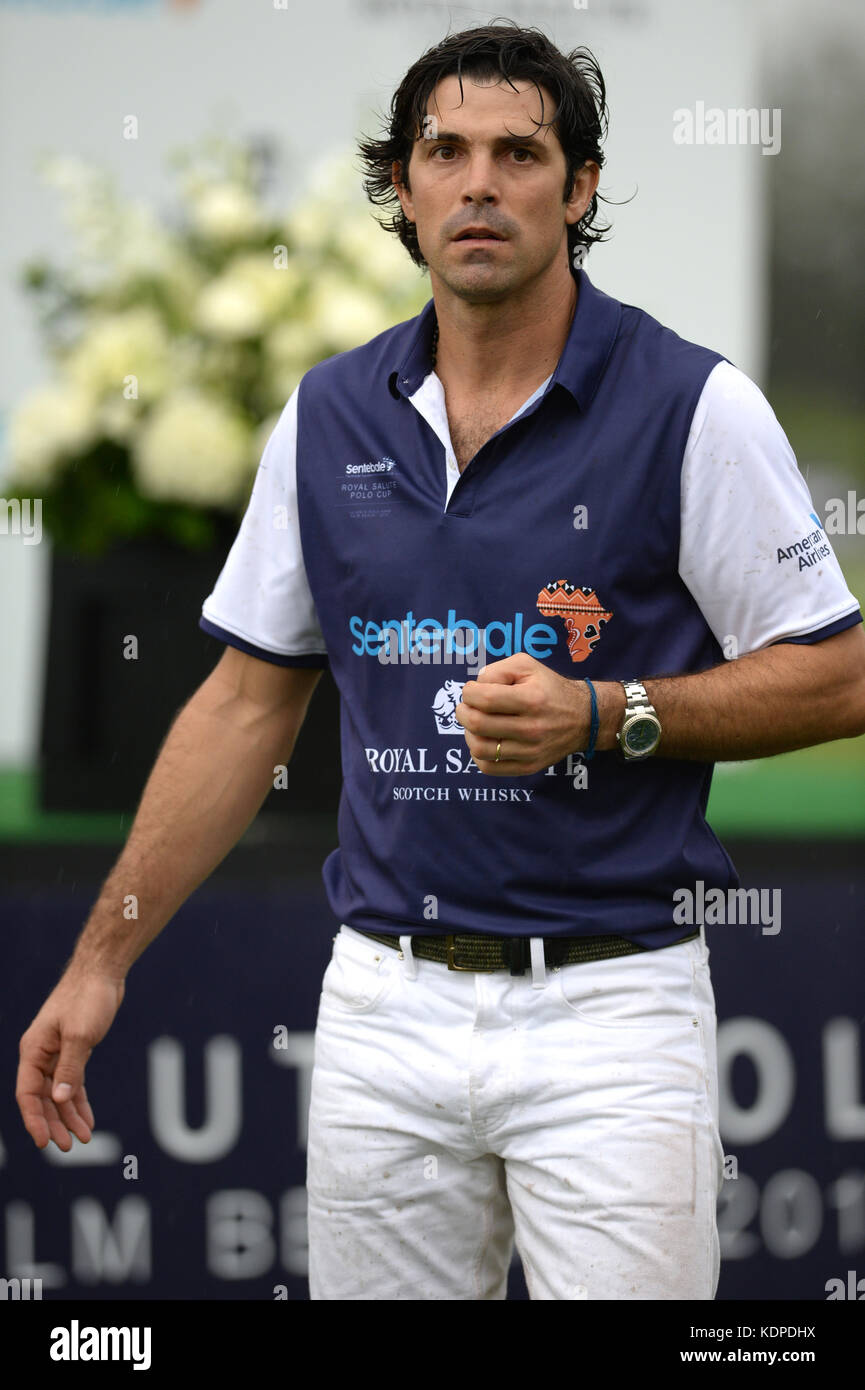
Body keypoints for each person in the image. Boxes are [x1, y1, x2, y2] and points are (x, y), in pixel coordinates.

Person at [16, 22, 865, 1301]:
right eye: (445, 152)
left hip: (613, 1006)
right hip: (381, 1007)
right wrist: (99, 958)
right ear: (401, 192)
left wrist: (607, 711)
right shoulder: (326, 413)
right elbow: (245, 703)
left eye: (519, 153)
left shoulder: (693, 404)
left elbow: (837, 674)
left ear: (578, 189)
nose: (480, 183)